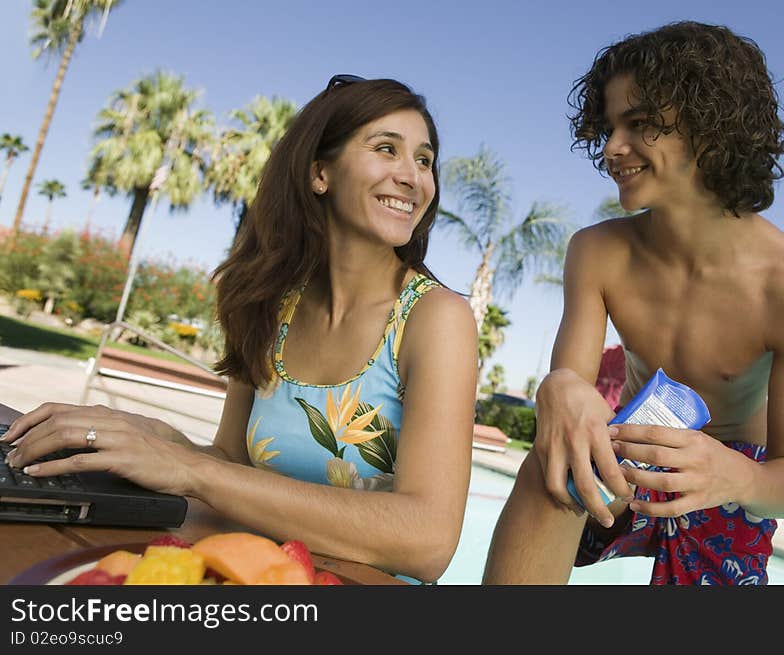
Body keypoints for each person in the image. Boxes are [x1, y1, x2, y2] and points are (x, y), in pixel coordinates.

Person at [2, 76, 478, 584]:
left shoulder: (435, 318)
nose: (413, 177)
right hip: (248, 575)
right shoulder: (271, 305)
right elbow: (230, 461)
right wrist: (144, 436)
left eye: (424, 160)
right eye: (388, 149)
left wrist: (194, 470)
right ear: (320, 172)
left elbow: (428, 541)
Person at [482, 21, 784, 585]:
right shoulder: (598, 252)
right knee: (551, 469)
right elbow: (571, 395)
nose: (610, 149)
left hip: (731, 479)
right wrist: (557, 388)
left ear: (711, 127)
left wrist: (733, 477)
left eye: (640, 124)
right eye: (608, 126)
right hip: (627, 453)